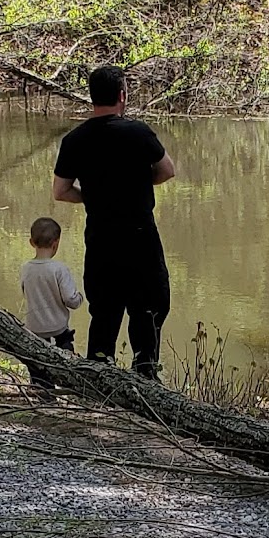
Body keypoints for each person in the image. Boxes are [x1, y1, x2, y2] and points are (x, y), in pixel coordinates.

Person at [52, 64, 176, 379]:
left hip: (101, 238)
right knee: (149, 308)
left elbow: (61, 191)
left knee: (104, 311)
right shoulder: (139, 132)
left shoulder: (74, 140)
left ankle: (98, 375)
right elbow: (167, 171)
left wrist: (94, 197)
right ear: (122, 95)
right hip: (140, 237)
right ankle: (145, 374)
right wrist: (138, 183)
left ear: (92, 98)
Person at [19, 215, 83, 394]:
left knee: (38, 365)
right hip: (58, 328)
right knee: (66, 360)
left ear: (31, 242)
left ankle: (43, 394)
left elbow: (25, 291)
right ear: (56, 243)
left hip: (34, 329)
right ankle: (72, 391)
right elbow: (70, 299)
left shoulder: (26, 268)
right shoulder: (59, 269)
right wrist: (80, 298)